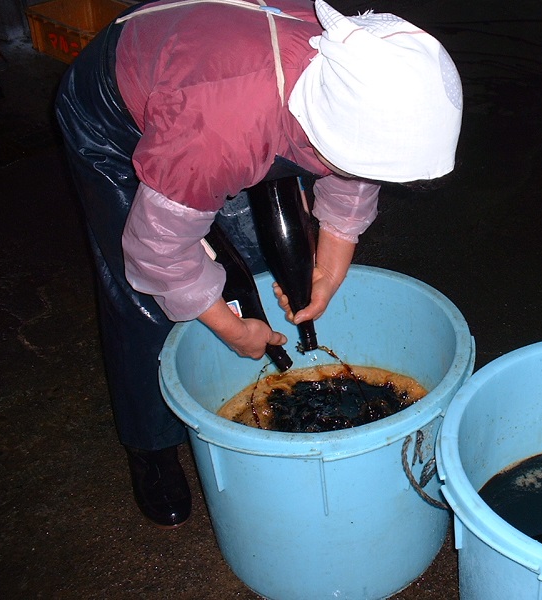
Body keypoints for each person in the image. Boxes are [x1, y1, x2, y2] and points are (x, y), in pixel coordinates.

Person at [54, 0, 462, 528]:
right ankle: (150, 449)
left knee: (249, 258)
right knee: (151, 304)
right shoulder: (219, 134)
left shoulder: (368, 78)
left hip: (219, 79)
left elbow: (359, 159)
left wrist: (330, 265)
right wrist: (230, 329)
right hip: (115, 114)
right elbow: (156, 251)